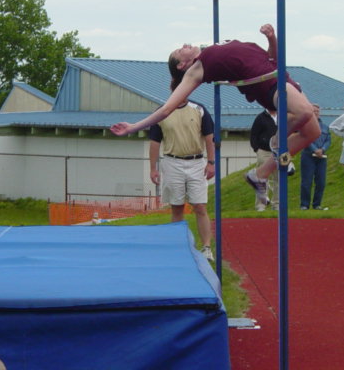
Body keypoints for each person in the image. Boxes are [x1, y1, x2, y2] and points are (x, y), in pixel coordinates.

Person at [111, 23, 321, 206]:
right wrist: (134, 127)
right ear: (182, 65)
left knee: (313, 132)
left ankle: (259, 174)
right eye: (180, 50)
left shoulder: (209, 50)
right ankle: (276, 142)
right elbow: (166, 109)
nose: (185, 44)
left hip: (278, 74)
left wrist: (271, 38)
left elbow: (272, 58)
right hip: (267, 86)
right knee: (303, 112)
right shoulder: (195, 71)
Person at [149, 80, 216, 261]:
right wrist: (153, 168)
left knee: (200, 206)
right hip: (172, 162)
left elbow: (210, 137)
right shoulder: (161, 112)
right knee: (177, 206)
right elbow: (154, 142)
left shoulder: (199, 110)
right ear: (172, 90)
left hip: (196, 162)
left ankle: (207, 248)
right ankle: (178, 246)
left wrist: (211, 162)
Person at [300, 103, 331, 210]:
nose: (316, 113)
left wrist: (322, 149)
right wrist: (314, 149)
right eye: (314, 111)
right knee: (307, 182)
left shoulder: (325, 127)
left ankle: (317, 204)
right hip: (308, 156)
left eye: (317, 111)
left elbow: (328, 140)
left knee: (321, 182)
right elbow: (305, 139)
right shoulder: (305, 126)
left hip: (321, 157)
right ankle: (304, 205)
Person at [250, 109, 279, 211]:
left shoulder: (282, 116)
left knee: (278, 179)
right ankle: (261, 205)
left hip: (278, 152)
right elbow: (253, 134)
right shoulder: (261, 118)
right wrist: (257, 149)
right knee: (262, 178)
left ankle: (277, 204)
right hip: (264, 151)